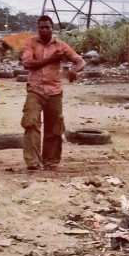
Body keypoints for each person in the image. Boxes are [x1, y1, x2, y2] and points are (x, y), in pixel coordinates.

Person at [21, 15, 85, 171]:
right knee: (31, 123)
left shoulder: (61, 46)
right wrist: (50, 59)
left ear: (52, 28)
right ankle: (33, 162)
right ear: (38, 28)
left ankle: (51, 161)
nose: (44, 30)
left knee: (55, 127)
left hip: (54, 91)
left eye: (47, 27)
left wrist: (74, 70)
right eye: (41, 27)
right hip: (35, 90)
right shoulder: (31, 43)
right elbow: (27, 63)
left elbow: (80, 61)